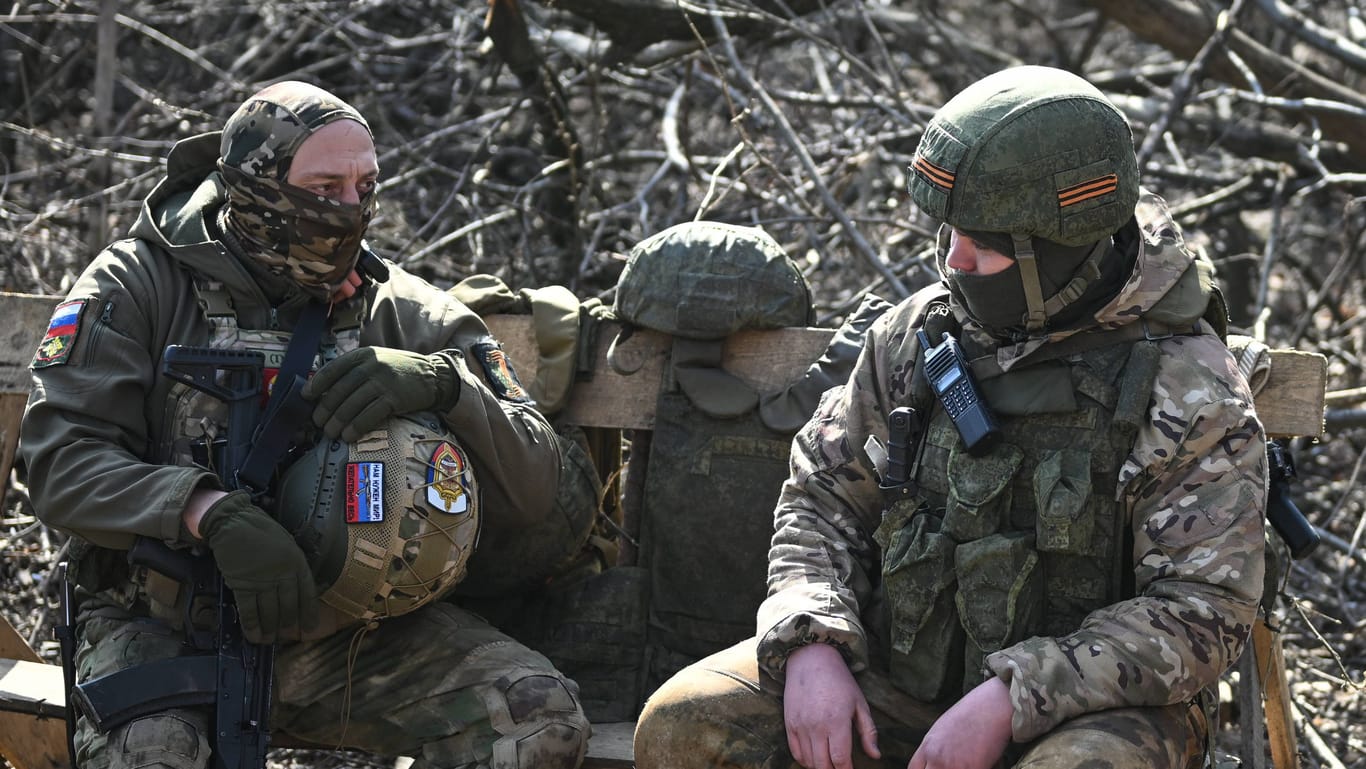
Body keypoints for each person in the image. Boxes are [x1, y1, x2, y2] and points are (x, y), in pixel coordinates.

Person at [634, 65, 1267, 769]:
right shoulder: (916, 336)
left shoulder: (1186, 385)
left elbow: (1200, 610)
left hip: (1094, 709)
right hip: (903, 680)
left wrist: (1015, 694)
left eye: (987, 246)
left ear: (1062, 255)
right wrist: (811, 639)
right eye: (951, 231)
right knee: (683, 727)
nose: (954, 259)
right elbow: (821, 498)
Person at [22, 81, 591, 769]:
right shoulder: (138, 285)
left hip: (348, 633)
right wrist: (205, 511)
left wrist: (446, 384)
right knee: (150, 754)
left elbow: (537, 486)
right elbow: (62, 464)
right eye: (324, 187)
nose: (350, 210)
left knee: (538, 723)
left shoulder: (398, 307)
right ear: (254, 189)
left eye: (365, 185)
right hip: (164, 623)